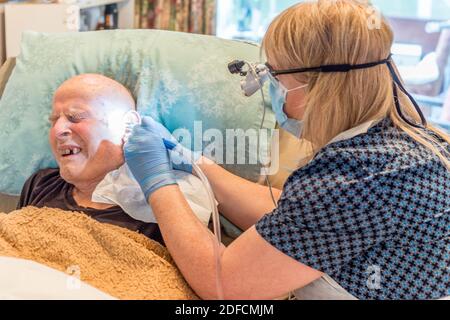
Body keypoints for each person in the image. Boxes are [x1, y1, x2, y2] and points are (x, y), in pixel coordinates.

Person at [124, 0, 450, 300]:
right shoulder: (415, 143)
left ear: (319, 85)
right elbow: (297, 215)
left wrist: (157, 180)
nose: (272, 92)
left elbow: (222, 283)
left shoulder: (354, 175)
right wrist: (194, 161)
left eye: (276, 77)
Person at [17, 74, 164, 244]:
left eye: (76, 117)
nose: (58, 130)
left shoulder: (158, 208)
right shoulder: (41, 185)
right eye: (54, 120)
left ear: (127, 126)